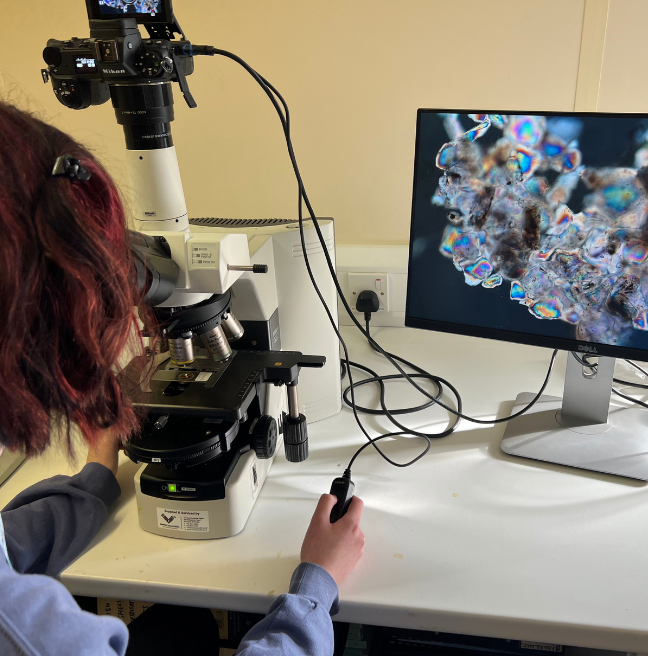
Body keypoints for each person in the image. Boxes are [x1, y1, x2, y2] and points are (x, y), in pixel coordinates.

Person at [0, 100, 365, 656]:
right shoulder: (34, 637)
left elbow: (9, 546)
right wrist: (317, 585)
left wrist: (94, 481)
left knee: (182, 625)